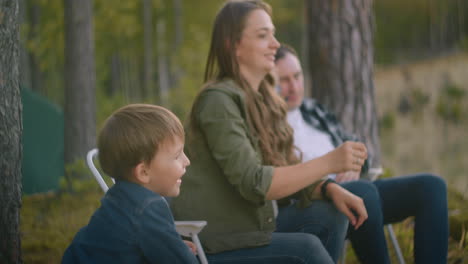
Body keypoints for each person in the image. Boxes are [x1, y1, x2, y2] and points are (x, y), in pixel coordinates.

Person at [171, 1, 369, 263]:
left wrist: (329, 187)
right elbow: (256, 183)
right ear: (233, 45)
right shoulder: (218, 102)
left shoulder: (258, 99)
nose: (275, 44)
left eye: (273, 34)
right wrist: (330, 162)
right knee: (307, 249)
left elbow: (279, 165)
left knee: (329, 215)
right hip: (214, 243)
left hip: (251, 230)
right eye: (263, 36)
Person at [274, 43, 449, 264]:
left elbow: (356, 145)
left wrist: (354, 165)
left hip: (362, 193)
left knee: (431, 187)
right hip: (321, 205)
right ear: (271, 84)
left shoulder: (313, 110)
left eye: (297, 76)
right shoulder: (271, 125)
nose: (294, 86)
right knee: (363, 191)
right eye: (285, 80)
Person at [61, 104, 198, 264]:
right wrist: (179, 251)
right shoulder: (149, 207)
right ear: (143, 172)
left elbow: (127, 244)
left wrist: (174, 245)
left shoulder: (117, 197)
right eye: (176, 156)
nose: (186, 161)